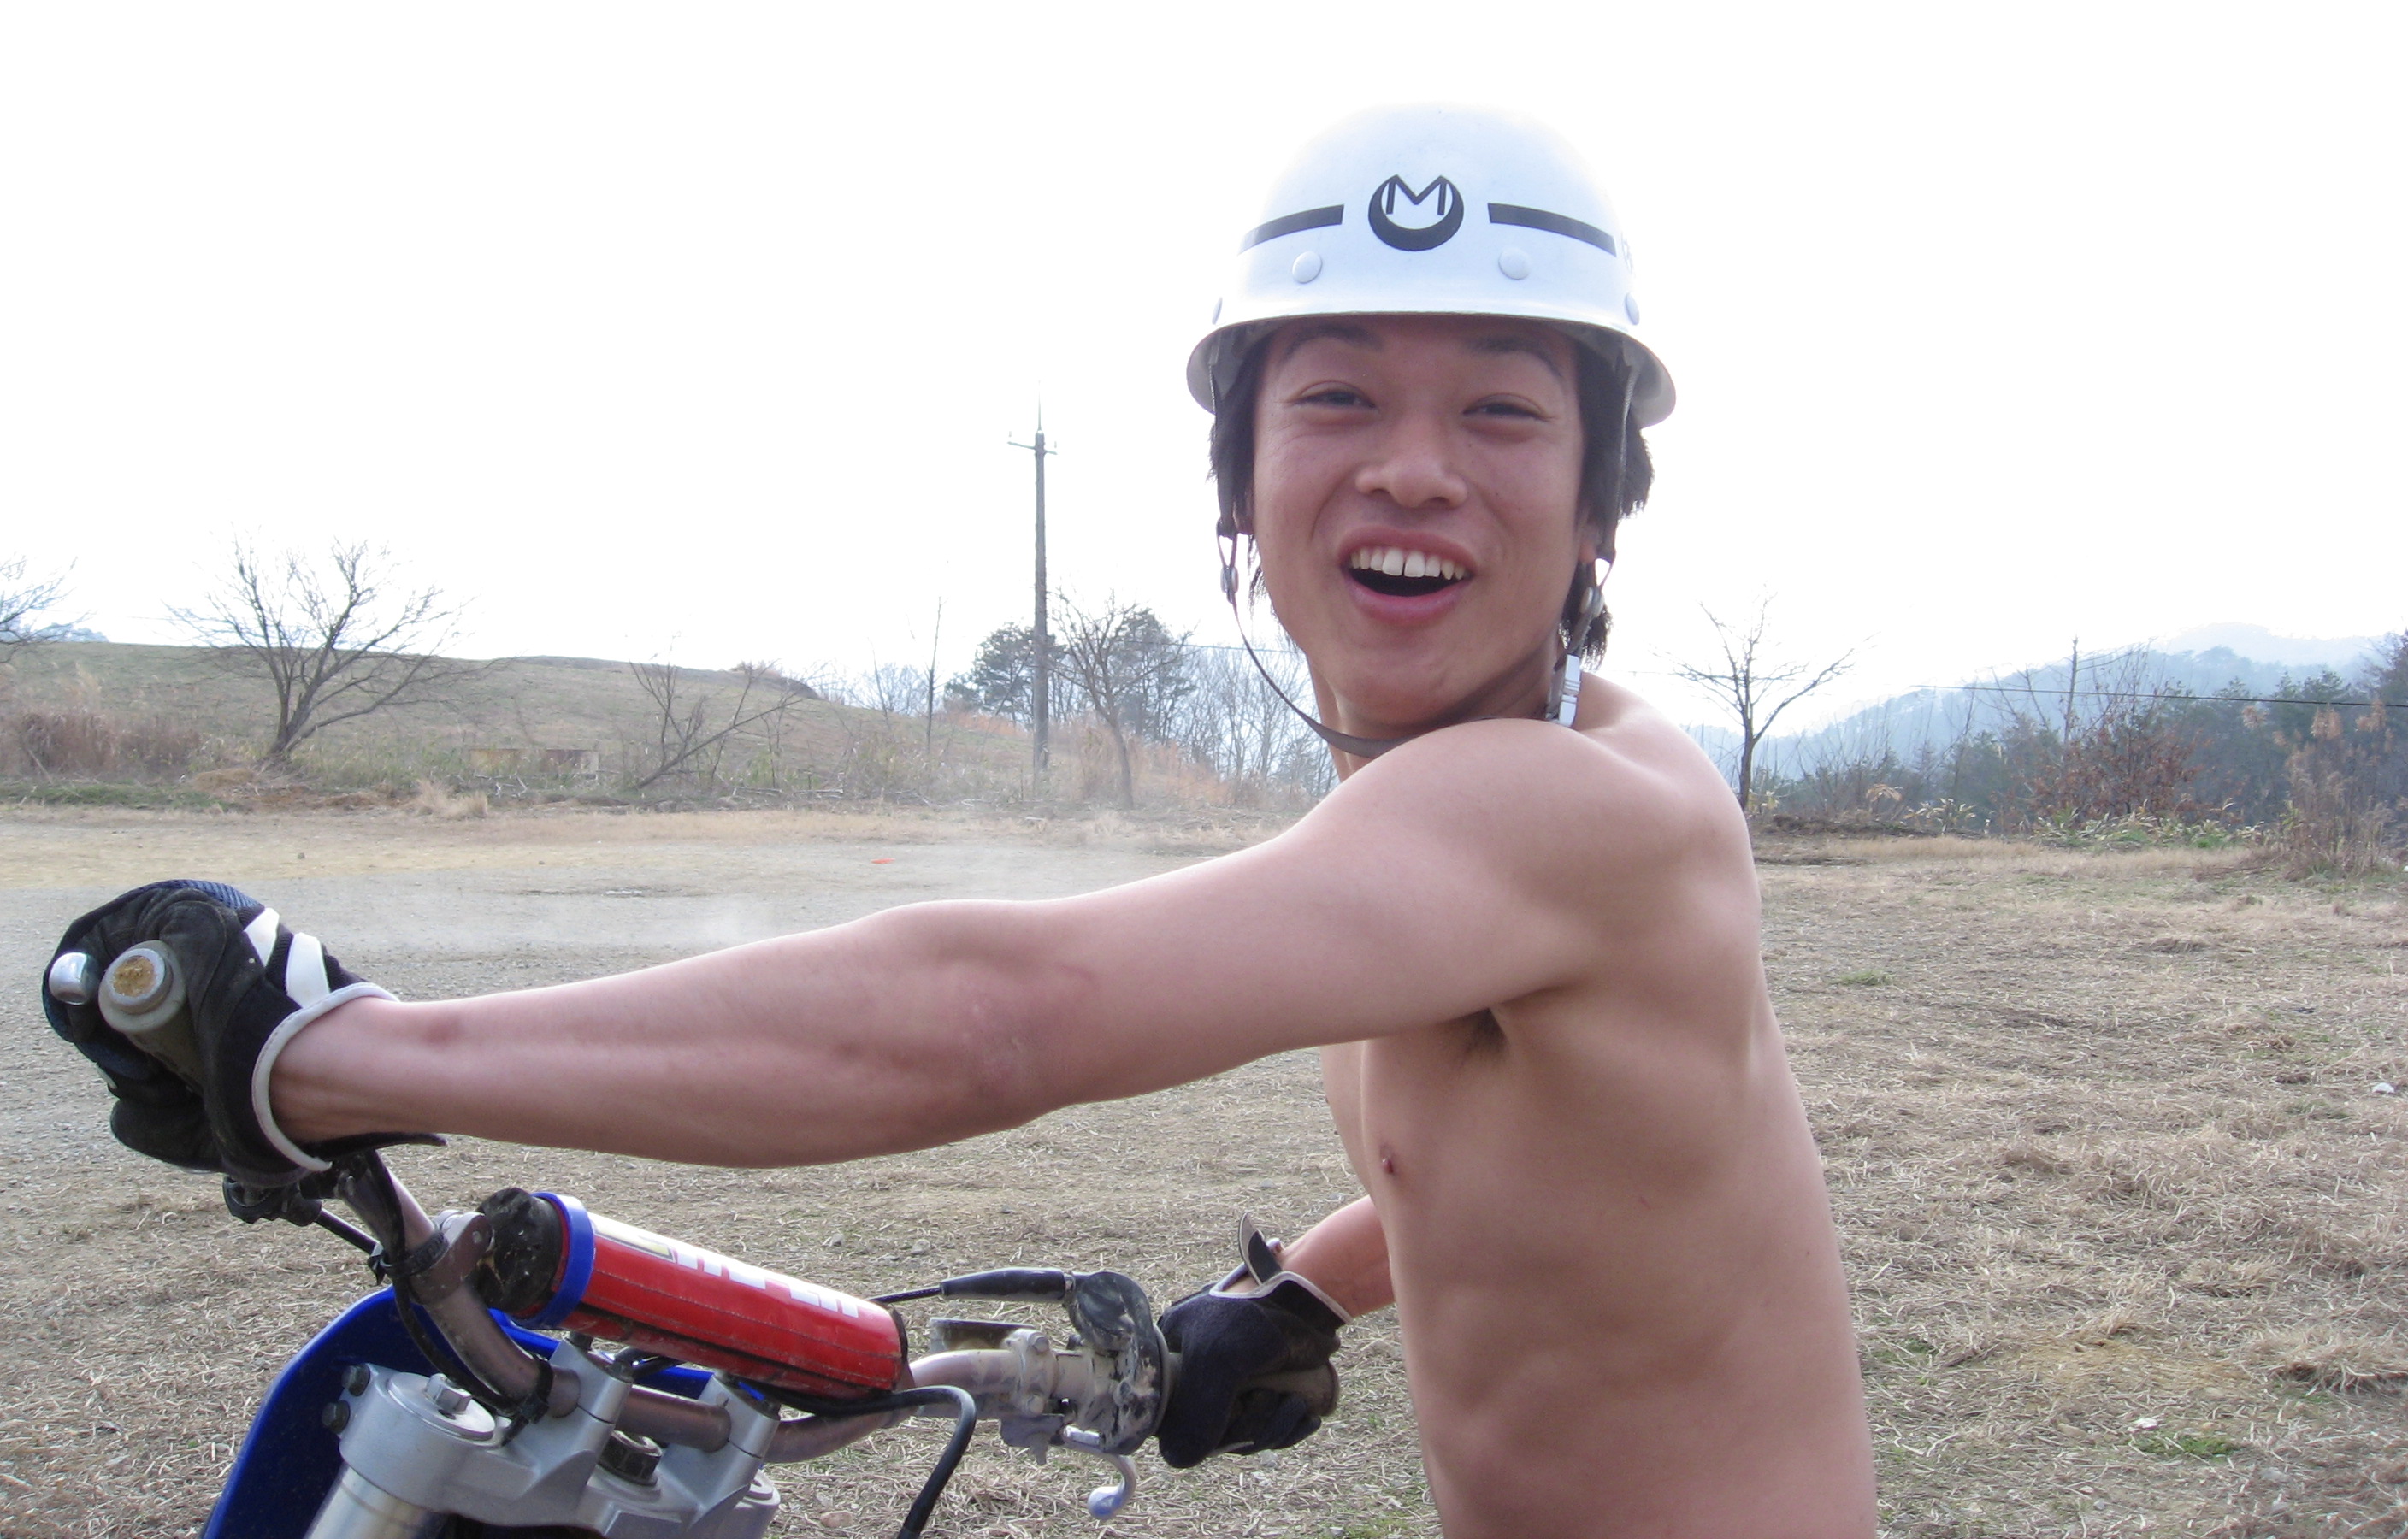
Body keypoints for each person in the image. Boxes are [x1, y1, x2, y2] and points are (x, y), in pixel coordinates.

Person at [46, 106, 1878, 1536]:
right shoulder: (1481, 794)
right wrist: (1306, 1295)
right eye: (1336, 396)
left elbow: (1001, 1015)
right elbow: (1563, 1171)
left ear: (1599, 501)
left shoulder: (1568, 808)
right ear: (1239, 483)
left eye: (1501, 409)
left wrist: (337, 1058)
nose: (1413, 463)